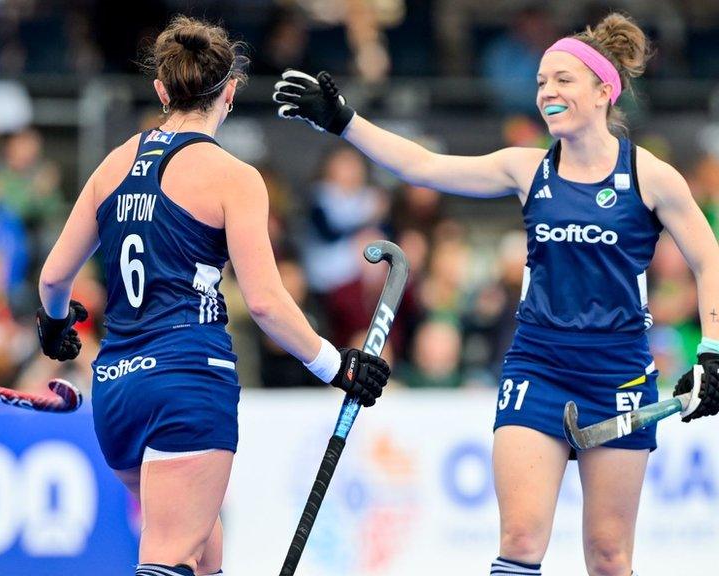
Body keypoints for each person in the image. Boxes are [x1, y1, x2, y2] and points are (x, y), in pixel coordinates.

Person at [274, 12, 719, 576]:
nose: (546, 92)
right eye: (540, 82)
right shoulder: (527, 168)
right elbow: (423, 166)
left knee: (609, 558)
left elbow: (709, 258)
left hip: (620, 377)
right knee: (519, 543)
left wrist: (711, 351)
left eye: (562, 80)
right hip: (538, 367)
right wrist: (343, 121)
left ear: (605, 91)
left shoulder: (650, 176)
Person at [36, 15, 391, 576]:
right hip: (188, 381)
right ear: (230, 90)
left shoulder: (114, 163)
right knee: (169, 555)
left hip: (117, 391)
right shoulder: (233, 177)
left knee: (201, 546)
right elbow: (268, 303)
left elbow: (54, 278)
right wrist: (336, 365)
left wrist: (57, 325)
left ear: (161, 90)